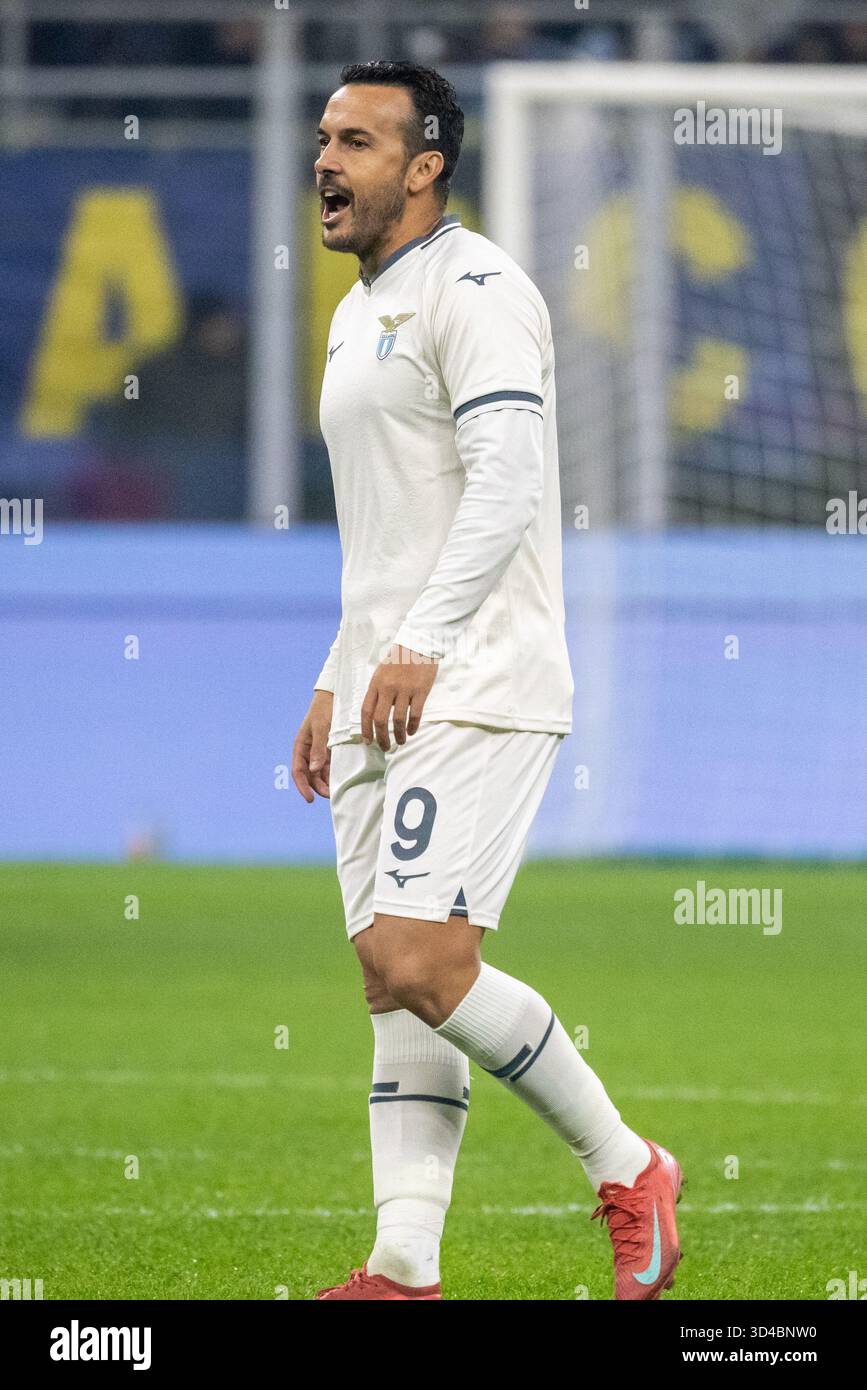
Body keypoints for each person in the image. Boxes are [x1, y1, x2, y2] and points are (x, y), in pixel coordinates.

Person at [292, 60, 683, 1302]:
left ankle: (631, 1167)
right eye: (321, 137)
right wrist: (331, 677)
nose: (324, 161)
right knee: (387, 977)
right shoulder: (360, 311)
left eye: (355, 141)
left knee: (422, 958)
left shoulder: (482, 289)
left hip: (475, 676)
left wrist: (424, 644)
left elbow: (509, 483)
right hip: (382, 683)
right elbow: (391, 528)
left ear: (425, 165)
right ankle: (405, 1262)